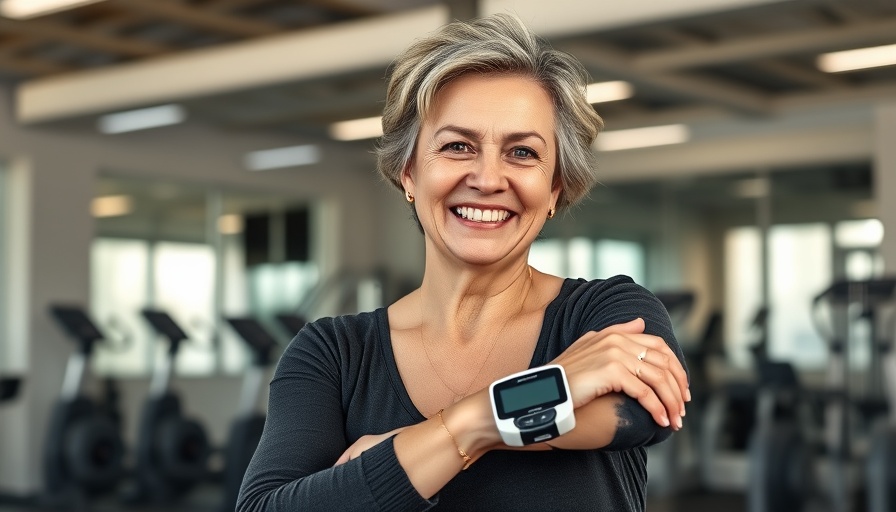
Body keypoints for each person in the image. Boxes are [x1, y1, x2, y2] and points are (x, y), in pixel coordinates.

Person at [237, 12, 689, 512]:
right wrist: (477, 422)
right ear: (408, 172)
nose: (488, 178)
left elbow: (639, 409)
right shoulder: (333, 354)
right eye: (457, 146)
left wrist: (418, 445)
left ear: (555, 188)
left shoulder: (604, 310)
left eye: (522, 152)